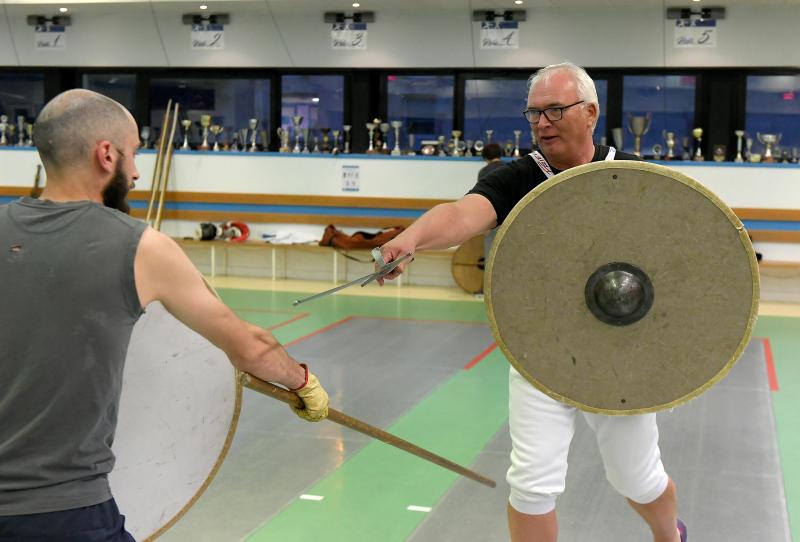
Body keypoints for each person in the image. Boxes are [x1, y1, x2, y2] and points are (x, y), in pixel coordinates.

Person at [0, 89, 329, 541]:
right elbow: (250, 347)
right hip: (63, 510)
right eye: (134, 155)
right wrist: (301, 382)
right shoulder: (139, 247)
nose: (136, 173)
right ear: (106, 154)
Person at [377, 63, 687, 542]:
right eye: (534, 113)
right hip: (541, 349)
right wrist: (411, 238)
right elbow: (462, 216)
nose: (542, 123)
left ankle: (671, 536)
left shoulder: (635, 175)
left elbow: (681, 253)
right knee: (532, 484)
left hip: (619, 355)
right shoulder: (517, 177)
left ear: (590, 113)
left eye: (555, 110)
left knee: (635, 477)